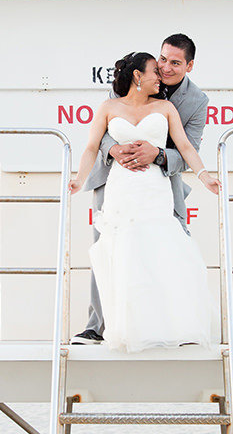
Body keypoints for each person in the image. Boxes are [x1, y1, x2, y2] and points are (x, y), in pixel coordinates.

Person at [68, 51, 219, 352]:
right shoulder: (109, 105)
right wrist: (78, 178)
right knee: (121, 253)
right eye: (155, 70)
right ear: (138, 76)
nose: (160, 75)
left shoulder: (166, 107)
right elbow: (91, 147)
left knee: (163, 250)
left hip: (155, 187)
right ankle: (117, 327)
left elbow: (187, 146)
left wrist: (204, 175)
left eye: (170, 66)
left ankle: (178, 325)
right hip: (120, 186)